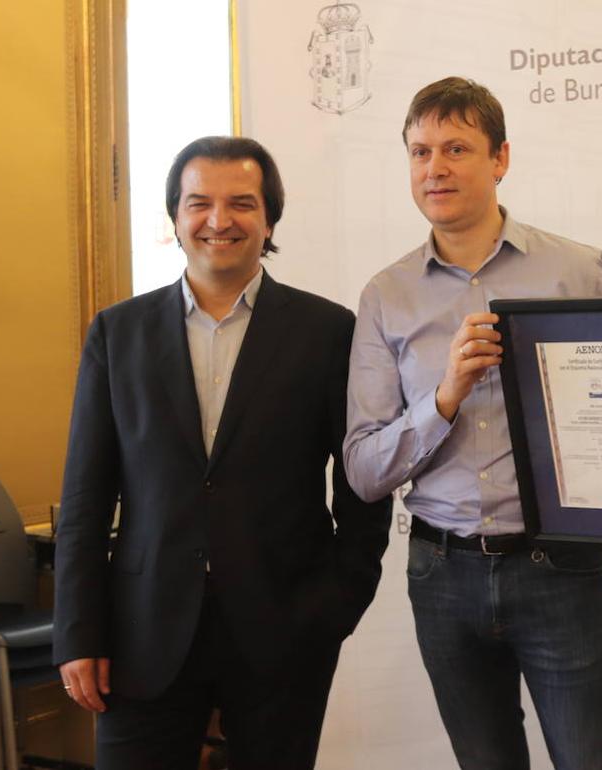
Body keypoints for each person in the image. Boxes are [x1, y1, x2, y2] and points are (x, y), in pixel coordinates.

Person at [52, 136, 392, 769]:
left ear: (269, 220)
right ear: (175, 217)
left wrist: (338, 604)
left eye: (241, 203)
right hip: (141, 631)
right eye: (199, 203)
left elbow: (362, 483)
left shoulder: (328, 332)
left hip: (285, 628)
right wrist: (78, 630)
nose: (219, 220)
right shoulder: (117, 333)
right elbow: (84, 500)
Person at [343, 76, 602, 770]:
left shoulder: (574, 271)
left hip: (557, 565)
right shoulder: (386, 296)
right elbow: (363, 471)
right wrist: (443, 398)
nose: (434, 169)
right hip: (442, 573)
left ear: (500, 158)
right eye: (420, 152)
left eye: (456, 148)